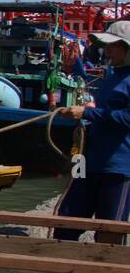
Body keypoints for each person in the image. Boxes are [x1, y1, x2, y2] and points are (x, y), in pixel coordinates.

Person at [55, 20, 130, 243]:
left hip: (118, 167)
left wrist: (87, 114)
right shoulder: (112, 75)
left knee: (109, 231)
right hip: (88, 161)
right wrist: (76, 67)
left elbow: (127, 118)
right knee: (66, 222)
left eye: (113, 46)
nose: (107, 50)